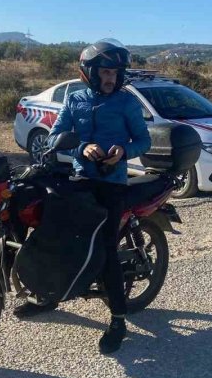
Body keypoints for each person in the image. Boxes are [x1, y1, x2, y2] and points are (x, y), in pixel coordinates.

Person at [13, 38, 151, 355]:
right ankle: (49, 294)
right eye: (105, 71)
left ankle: (118, 320)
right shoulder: (75, 100)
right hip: (79, 177)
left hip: (112, 182)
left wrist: (123, 151)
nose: (110, 78)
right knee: (54, 233)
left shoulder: (127, 103)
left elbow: (142, 141)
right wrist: (81, 148)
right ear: (89, 72)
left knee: (105, 249)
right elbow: (56, 136)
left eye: (115, 73)